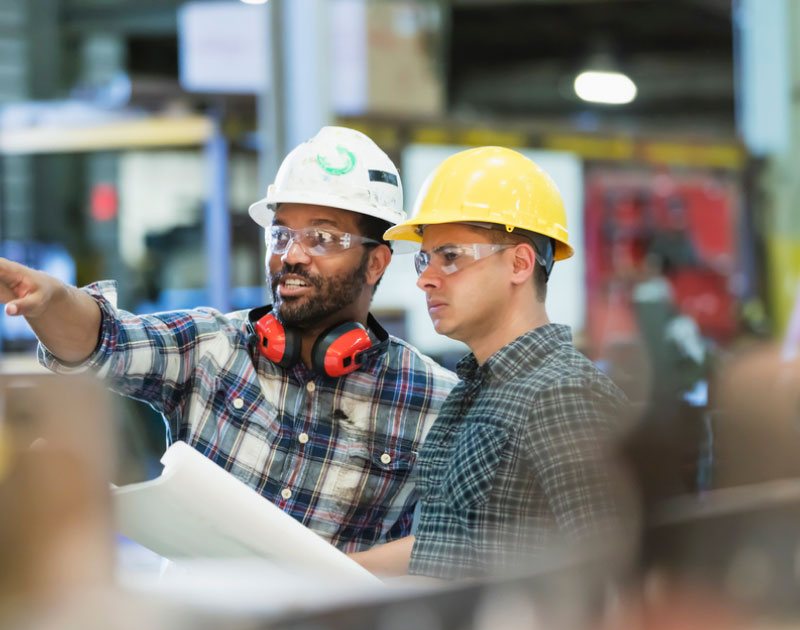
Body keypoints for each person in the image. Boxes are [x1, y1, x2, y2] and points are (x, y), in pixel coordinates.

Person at [0, 126, 457, 552]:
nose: (291, 255)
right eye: (280, 235)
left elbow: (453, 548)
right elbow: (104, 341)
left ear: (376, 263)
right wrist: (50, 299)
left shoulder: (434, 402)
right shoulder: (212, 348)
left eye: (322, 236)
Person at [352, 146, 634, 579]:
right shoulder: (474, 392)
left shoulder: (562, 396)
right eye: (426, 258)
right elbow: (444, 548)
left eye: (451, 256)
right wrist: (317, 570)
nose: (425, 278)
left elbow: (618, 568)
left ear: (519, 263)